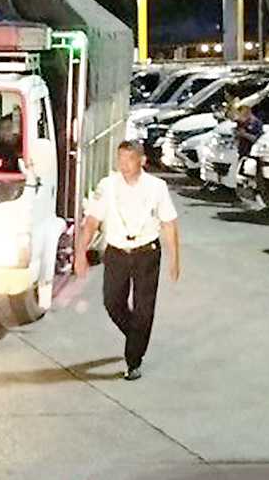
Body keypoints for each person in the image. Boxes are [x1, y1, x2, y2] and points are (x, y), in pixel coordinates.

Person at [75, 141, 181, 381]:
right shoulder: (107, 185)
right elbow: (91, 221)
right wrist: (80, 253)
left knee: (144, 309)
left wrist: (175, 259)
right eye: (120, 159)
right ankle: (137, 336)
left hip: (146, 253)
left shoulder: (157, 187)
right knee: (113, 303)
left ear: (142, 161)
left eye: (129, 159)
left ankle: (134, 361)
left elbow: (169, 223)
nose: (123, 165)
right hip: (117, 252)